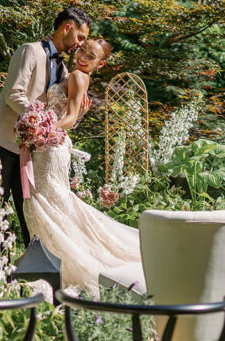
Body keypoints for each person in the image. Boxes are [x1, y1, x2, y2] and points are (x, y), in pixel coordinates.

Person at [22, 38, 145, 297]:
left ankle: (62, 264)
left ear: (100, 64)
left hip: (52, 145)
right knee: (52, 203)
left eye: (91, 56)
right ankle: (51, 261)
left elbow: (69, 117)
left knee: (52, 203)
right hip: (49, 144)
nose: (83, 57)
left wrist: (42, 128)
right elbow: (73, 116)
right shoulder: (73, 75)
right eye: (82, 50)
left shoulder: (78, 76)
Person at [0, 7, 92, 246]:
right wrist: (40, 119)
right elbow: (13, 95)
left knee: (30, 215)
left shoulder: (65, 71)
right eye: (80, 37)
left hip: (32, 151)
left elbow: (61, 117)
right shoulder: (29, 51)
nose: (80, 44)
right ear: (67, 27)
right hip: (2, 143)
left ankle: (31, 274)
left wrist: (79, 113)